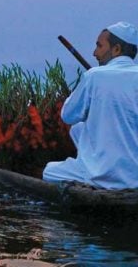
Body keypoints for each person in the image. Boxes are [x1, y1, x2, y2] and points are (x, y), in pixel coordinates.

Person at [43, 21, 138, 189]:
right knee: (78, 129)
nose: (95, 53)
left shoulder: (94, 76)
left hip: (102, 175)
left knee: (49, 171)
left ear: (116, 49)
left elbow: (68, 115)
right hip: (135, 175)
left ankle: (93, 176)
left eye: (99, 46)